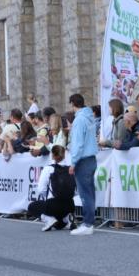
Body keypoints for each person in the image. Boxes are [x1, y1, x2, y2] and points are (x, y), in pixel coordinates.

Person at [67, 93, 98, 235]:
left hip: (83, 160)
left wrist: (73, 162)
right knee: (90, 192)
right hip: (91, 158)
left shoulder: (79, 120)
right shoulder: (89, 117)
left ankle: (87, 224)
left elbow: (78, 144)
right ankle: (89, 222)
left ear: (73, 104)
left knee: (85, 193)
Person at [27, 145, 75, 232]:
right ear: (64, 155)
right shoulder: (70, 169)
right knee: (59, 226)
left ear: (52, 155)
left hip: (54, 204)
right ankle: (66, 218)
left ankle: (49, 219)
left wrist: (48, 197)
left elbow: (41, 189)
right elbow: (75, 189)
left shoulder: (48, 168)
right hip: (70, 205)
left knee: (32, 206)